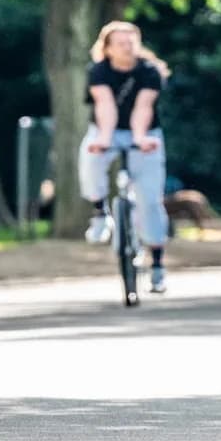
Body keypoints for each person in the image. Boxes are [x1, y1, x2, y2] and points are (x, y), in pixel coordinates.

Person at [78, 21, 171, 293]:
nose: (127, 47)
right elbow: (104, 104)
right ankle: (99, 212)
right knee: (91, 157)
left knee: (150, 201)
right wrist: (104, 139)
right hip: (107, 129)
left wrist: (140, 137)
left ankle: (156, 264)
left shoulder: (150, 71)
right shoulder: (98, 71)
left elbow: (143, 106)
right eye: (120, 43)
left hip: (145, 133)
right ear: (107, 48)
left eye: (131, 42)